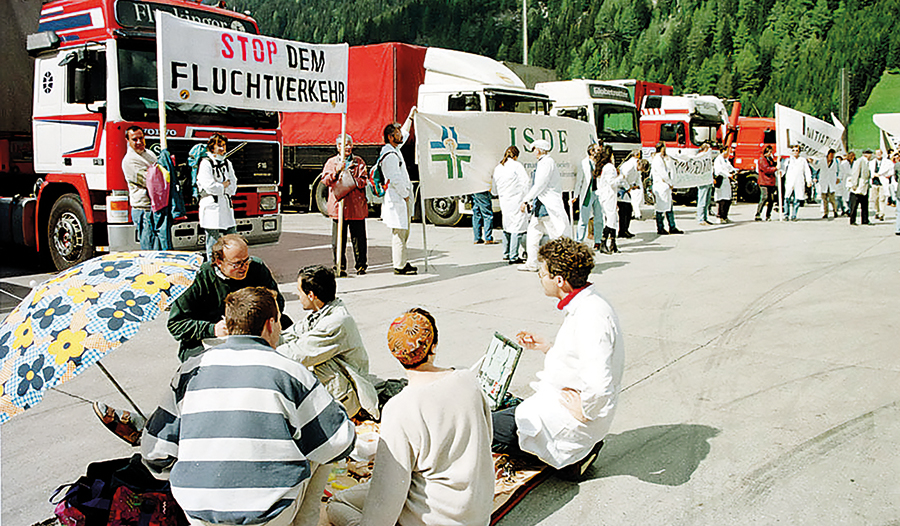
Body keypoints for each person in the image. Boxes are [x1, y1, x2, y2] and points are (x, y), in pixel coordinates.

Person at [142, 286, 356, 526]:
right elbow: (340, 442)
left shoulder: (188, 370)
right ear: (270, 325)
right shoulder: (289, 372)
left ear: (229, 324)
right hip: (268, 514)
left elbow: (154, 454)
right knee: (318, 449)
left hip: (198, 510)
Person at [326, 308, 494, 526]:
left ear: (396, 354)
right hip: (476, 515)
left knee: (337, 505)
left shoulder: (400, 408)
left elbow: (386, 499)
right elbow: (486, 439)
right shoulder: (467, 379)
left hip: (431, 518)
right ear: (434, 345)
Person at [492, 237, 624, 480]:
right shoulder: (588, 305)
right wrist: (548, 347)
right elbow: (580, 359)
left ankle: (571, 461)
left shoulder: (590, 316)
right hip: (562, 404)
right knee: (501, 411)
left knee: (480, 429)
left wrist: (586, 411)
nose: (540, 279)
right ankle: (571, 456)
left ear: (559, 280)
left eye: (542, 274)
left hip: (569, 418)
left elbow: (599, 383)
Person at [277, 265, 379, 420]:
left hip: (349, 403)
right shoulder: (319, 314)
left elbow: (299, 353)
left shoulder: (337, 322)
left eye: (299, 291)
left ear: (311, 295)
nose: (298, 296)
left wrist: (261, 351)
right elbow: (290, 335)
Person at [168, 233, 289, 361]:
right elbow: (176, 324)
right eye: (237, 264)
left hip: (253, 332)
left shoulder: (256, 268)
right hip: (208, 338)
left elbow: (277, 303)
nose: (244, 268)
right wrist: (212, 329)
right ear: (219, 262)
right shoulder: (196, 279)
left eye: (246, 261)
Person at [518, 139, 572, 272]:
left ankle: (562, 263)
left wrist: (526, 200)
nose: (533, 152)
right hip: (540, 205)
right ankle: (532, 262)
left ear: (539, 149)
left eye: (534, 149)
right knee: (533, 235)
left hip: (547, 205)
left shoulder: (546, 163)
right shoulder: (545, 162)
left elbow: (540, 185)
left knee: (556, 235)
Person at [322, 134, 369, 277]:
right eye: (344, 144)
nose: (347, 147)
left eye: (349, 144)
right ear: (338, 147)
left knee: (359, 238)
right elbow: (325, 180)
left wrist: (351, 180)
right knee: (338, 240)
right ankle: (339, 266)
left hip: (356, 207)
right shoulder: (331, 162)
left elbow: (364, 180)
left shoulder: (358, 161)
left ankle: (361, 265)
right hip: (339, 207)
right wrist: (337, 171)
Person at [380, 109, 418, 275]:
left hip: (401, 199)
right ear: (390, 137)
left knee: (403, 232)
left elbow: (405, 132)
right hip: (398, 199)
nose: (400, 135)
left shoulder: (394, 149)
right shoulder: (389, 155)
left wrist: (410, 116)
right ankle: (399, 266)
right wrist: (405, 194)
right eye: (397, 133)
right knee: (399, 233)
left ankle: (402, 261)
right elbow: (394, 179)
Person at [197, 133, 238, 261]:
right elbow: (209, 186)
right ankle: (212, 266)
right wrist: (223, 186)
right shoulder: (205, 163)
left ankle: (232, 262)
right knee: (213, 242)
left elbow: (233, 183)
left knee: (232, 237)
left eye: (224, 146)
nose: (222, 149)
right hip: (211, 207)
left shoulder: (227, 162)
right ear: (211, 147)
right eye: (219, 146)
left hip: (224, 205)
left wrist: (222, 187)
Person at [121, 126, 157, 250]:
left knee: (158, 249)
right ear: (128, 141)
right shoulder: (129, 160)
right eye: (134, 139)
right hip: (143, 209)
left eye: (141, 138)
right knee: (148, 248)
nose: (139, 142)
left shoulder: (150, 154)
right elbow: (151, 181)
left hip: (155, 207)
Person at [492, 145, 530, 264]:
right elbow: (526, 182)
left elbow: (494, 188)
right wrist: (527, 198)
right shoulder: (517, 166)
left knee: (507, 226)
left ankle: (506, 253)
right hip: (517, 200)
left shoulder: (498, 168)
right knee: (517, 228)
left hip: (504, 201)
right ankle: (514, 256)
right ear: (516, 156)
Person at [573, 144, 603, 247]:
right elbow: (579, 181)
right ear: (591, 151)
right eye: (597, 150)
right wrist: (575, 195)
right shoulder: (584, 163)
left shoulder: (601, 163)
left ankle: (598, 240)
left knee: (599, 218)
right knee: (583, 218)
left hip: (598, 193)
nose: (599, 152)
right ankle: (579, 240)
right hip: (587, 193)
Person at [596, 145, 625, 254]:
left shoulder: (604, 166)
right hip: (608, 196)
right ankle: (603, 242)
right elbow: (612, 182)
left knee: (612, 218)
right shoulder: (609, 167)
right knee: (611, 219)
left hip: (606, 195)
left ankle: (613, 243)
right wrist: (621, 177)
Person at [651, 142, 683, 235]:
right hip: (661, 186)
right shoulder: (657, 159)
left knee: (669, 208)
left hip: (665, 187)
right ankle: (660, 227)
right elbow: (663, 174)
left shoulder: (662, 158)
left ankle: (672, 226)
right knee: (660, 209)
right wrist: (670, 182)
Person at [618, 152, 647, 238]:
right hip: (621, 188)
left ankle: (625, 230)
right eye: (640, 169)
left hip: (627, 189)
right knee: (624, 211)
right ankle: (622, 231)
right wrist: (628, 188)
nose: (639, 171)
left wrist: (637, 187)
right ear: (639, 164)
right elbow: (622, 178)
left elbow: (637, 177)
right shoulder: (629, 166)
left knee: (628, 210)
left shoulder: (636, 167)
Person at [783, 145, 813, 221]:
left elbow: (807, 171)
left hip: (799, 181)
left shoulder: (803, 160)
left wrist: (809, 180)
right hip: (790, 181)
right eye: (794, 150)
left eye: (797, 150)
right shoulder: (788, 160)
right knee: (787, 197)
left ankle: (794, 215)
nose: (795, 152)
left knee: (797, 199)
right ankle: (786, 214)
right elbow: (782, 169)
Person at [713, 144, 738, 223]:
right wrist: (728, 175)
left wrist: (735, 171)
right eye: (728, 151)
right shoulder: (718, 160)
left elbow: (730, 167)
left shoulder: (725, 160)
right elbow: (719, 170)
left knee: (728, 199)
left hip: (727, 181)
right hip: (721, 180)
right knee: (722, 199)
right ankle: (719, 216)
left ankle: (725, 216)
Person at [847, 149, 873, 225]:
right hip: (858, 187)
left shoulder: (867, 162)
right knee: (854, 205)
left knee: (864, 204)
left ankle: (865, 220)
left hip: (864, 187)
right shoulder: (860, 161)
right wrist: (854, 184)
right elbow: (855, 173)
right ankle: (852, 220)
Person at [755, 145, 778, 221]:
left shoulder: (769, 159)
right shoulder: (762, 159)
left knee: (771, 199)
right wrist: (775, 168)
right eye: (770, 152)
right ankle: (758, 214)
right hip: (764, 181)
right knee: (764, 197)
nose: (770, 154)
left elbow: (773, 164)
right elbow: (766, 169)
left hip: (770, 181)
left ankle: (768, 215)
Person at [695, 143, 715, 225]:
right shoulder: (700, 157)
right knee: (702, 200)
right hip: (702, 181)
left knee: (707, 201)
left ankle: (705, 217)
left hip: (708, 180)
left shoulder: (708, 157)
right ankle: (700, 218)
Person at [818, 149, 840, 219]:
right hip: (824, 182)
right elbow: (816, 168)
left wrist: (838, 178)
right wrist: (812, 162)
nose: (832, 156)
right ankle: (825, 213)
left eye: (833, 155)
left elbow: (839, 170)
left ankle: (835, 211)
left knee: (832, 199)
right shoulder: (822, 161)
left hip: (831, 181)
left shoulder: (836, 162)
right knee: (824, 200)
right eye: (831, 155)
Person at [871, 149, 892, 221]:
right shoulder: (871, 162)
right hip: (874, 183)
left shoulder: (888, 162)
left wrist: (884, 175)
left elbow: (891, 171)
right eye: (877, 153)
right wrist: (874, 175)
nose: (878, 155)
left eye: (880, 153)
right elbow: (869, 171)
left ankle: (881, 214)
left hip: (882, 183)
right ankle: (877, 211)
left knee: (882, 199)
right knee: (875, 199)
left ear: (882, 154)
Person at [838, 151, 855, 216]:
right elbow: (841, 172)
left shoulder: (855, 163)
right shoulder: (844, 163)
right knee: (844, 196)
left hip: (852, 180)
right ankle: (845, 209)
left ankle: (849, 209)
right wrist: (839, 178)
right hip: (845, 180)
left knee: (851, 196)